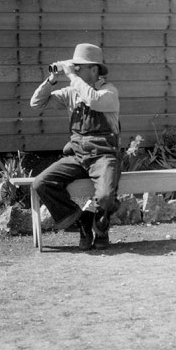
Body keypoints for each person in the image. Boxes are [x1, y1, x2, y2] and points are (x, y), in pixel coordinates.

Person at [29, 43, 121, 250]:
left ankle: (100, 225)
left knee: (106, 196)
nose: (75, 70)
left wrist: (71, 76)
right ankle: (82, 221)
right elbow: (36, 103)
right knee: (42, 183)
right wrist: (51, 79)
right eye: (74, 67)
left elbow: (93, 100)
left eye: (79, 67)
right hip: (78, 155)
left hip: (104, 156)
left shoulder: (109, 92)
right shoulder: (71, 92)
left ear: (95, 69)